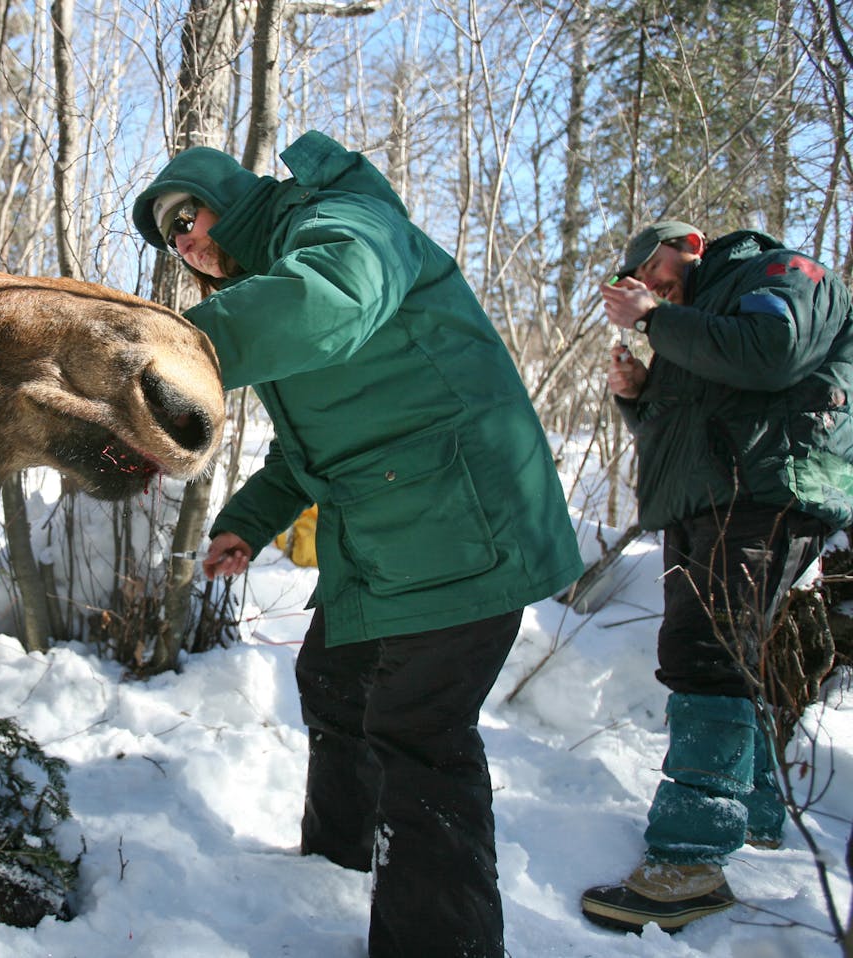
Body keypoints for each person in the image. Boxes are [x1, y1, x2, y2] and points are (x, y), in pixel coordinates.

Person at [132, 131, 583, 958]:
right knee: (334, 679)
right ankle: (336, 869)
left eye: (189, 214)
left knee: (421, 736)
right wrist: (249, 519)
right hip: (395, 533)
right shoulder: (275, 282)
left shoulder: (344, 222)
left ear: (232, 198)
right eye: (170, 235)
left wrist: (167, 353)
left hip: (464, 527)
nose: (186, 240)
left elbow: (330, 300)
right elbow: (310, 446)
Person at [580, 221, 853, 933]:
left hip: (763, 492)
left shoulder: (777, 273)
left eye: (649, 267)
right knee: (731, 654)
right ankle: (759, 814)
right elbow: (694, 427)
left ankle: (691, 859)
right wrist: (639, 398)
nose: (644, 281)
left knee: (711, 656)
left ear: (689, 244)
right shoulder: (695, 320)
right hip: (708, 499)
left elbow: (773, 353)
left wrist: (656, 319)